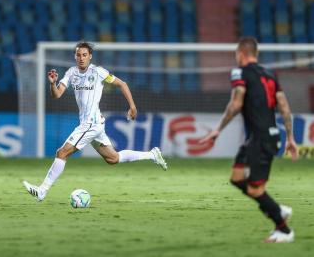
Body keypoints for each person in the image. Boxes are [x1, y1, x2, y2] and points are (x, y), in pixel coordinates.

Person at [23, 41, 167, 202]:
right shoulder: (71, 73)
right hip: (92, 124)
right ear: (75, 56)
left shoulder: (98, 72)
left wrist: (132, 106)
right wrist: (52, 84)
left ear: (90, 57)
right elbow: (56, 95)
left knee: (61, 153)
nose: (81, 58)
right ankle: (152, 155)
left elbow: (122, 84)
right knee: (113, 159)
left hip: (92, 124)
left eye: (84, 55)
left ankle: (42, 190)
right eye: (78, 55)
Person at [200, 37, 299, 243]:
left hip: (262, 139)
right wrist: (290, 137)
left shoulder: (239, 72)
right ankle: (277, 209)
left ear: (241, 54)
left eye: (236, 54)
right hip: (260, 137)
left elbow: (236, 104)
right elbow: (284, 107)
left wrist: (218, 129)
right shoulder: (271, 75)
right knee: (236, 178)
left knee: (255, 189)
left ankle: (284, 230)